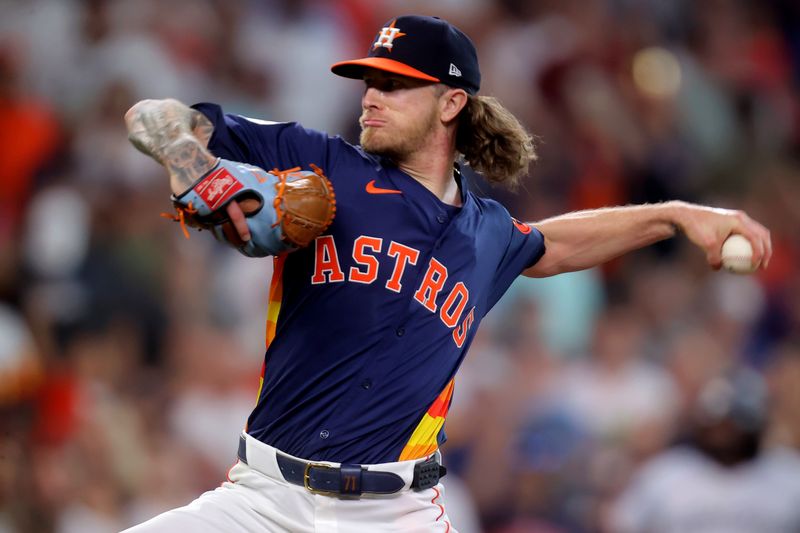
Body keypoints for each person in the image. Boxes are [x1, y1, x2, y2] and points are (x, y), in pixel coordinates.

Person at [122, 14, 771, 533]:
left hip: (394, 513)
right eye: (369, 82)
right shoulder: (323, 164)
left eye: (395, 84)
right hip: (261, 500)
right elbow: (154, 114)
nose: (372, 97)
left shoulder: (488, 234)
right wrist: (189, 159)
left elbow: (555, 244)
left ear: (451, 101)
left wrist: (678, 213)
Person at [609, 368, 800, 533]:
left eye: (732, 423)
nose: (723, 432)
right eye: (715, 422)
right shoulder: (666, 472)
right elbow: (621, 524)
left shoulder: (789, 474)